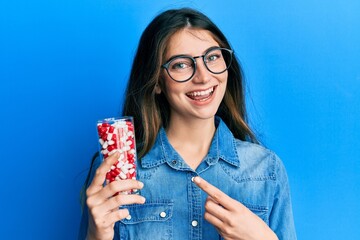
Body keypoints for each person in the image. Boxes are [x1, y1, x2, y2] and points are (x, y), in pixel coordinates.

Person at [79, 7, 296, 240]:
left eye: (212, 57)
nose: (203, 76)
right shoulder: (118, 172)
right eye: (181, 64)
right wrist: (95, 235)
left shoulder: (266, 170)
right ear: (156, 82)